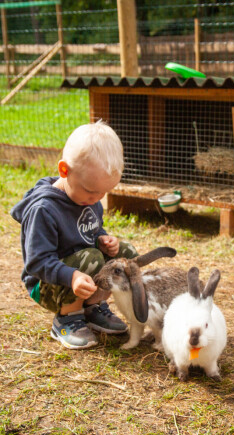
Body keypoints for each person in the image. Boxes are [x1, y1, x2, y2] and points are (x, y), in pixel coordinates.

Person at [11, 121, 137, 349]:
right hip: (49, 285)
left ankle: (92, 307)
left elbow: (91, 228)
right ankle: (67, 318)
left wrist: (103, 238)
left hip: (82, 270)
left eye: (103, 192)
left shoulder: (88, 197)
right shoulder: (44, 210)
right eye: (91, 190)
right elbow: (37, 262)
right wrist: (72, 277)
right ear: (64, 170)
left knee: (126, 254)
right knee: (92, 259)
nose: (96, 198)